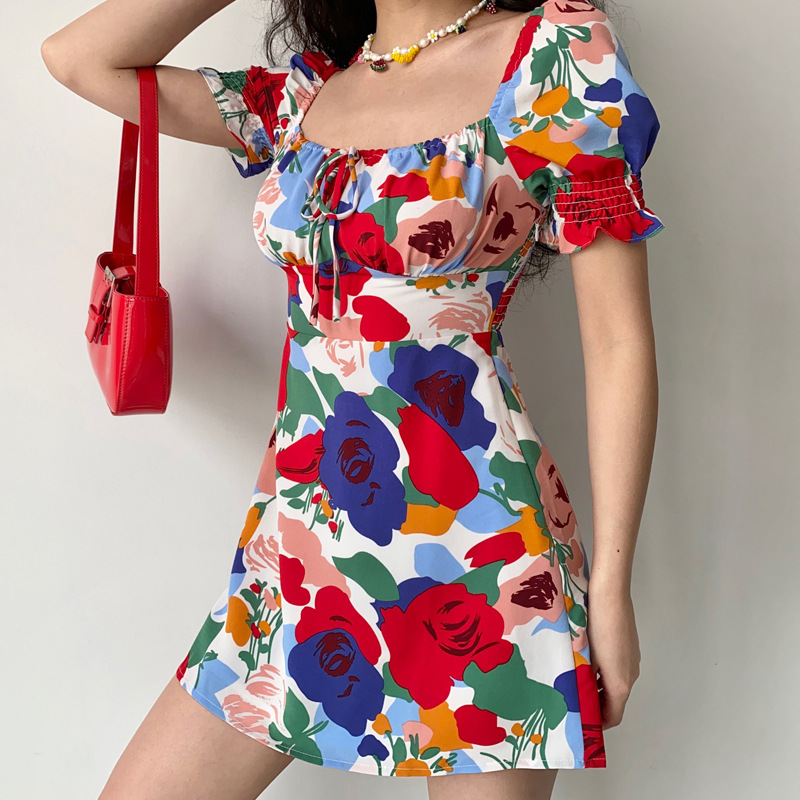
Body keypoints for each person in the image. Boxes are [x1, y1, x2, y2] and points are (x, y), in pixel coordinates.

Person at [41, 1, 663, 798]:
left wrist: (611, 590)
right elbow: (79, 59)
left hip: (487, 564)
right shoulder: (303, 99)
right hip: (296, 560)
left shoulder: (557, 54)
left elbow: (616, 342)